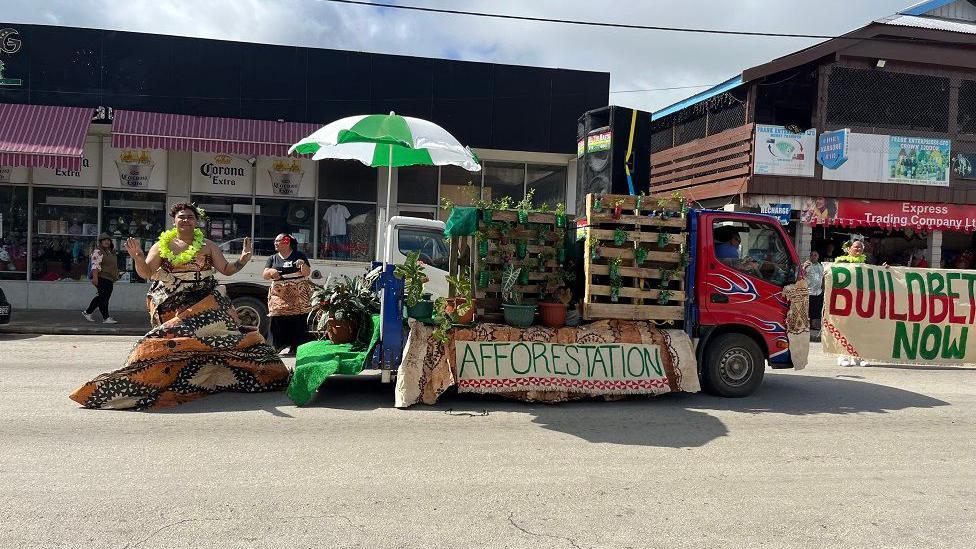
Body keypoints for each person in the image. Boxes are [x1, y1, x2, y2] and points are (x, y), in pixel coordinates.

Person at [69, 203, 289, 410]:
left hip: (206, 299)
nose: (186, 220)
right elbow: (146, 273)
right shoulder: (161, 246)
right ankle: (145, 380)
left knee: (230, 338)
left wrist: (242, 260)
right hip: (175, 301)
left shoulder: (208, 246)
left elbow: (227, 270)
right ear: (174, 221)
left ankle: (236, 375)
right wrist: (137, 257)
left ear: (197, 222)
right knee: (169, 343)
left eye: (190, 217)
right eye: (181, 217)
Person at [263, 233, 313, 356]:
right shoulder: (273, 258)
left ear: (286, 242)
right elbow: (264, 275)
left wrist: (302, 265)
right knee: (277, 318)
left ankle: (296, 347)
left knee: (298, 319)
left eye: (278, 241)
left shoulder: (299, 256)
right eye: (275, 241)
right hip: (279, 294)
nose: (275, 243)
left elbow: (306, 273)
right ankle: (277, 345)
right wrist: (271, 271)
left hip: (298, 293)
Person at [82, 234, 119, 324]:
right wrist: (95, 278)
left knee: (102, 297)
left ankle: (88, 312)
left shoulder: (110, 252)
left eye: (108, 240)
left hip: (109, 278)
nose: (107, 242)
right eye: (104, 240)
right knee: (104, 298)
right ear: (100, 242)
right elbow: (95, 265)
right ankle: (106, 318)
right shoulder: (98, 251)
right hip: (101, 277)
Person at [804, 251, 824, 331]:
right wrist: (804, 267)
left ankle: (815, 325)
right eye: (811, 255)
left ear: (818, 257)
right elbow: (800, 275)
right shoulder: (806, 265)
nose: (813, 256)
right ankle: (806, 325)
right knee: (807, 310)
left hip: (818, 292)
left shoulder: (821, 266)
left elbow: (823, 278)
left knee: (817, 310)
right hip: (808, 291)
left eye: (815, 255)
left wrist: (823, 289)